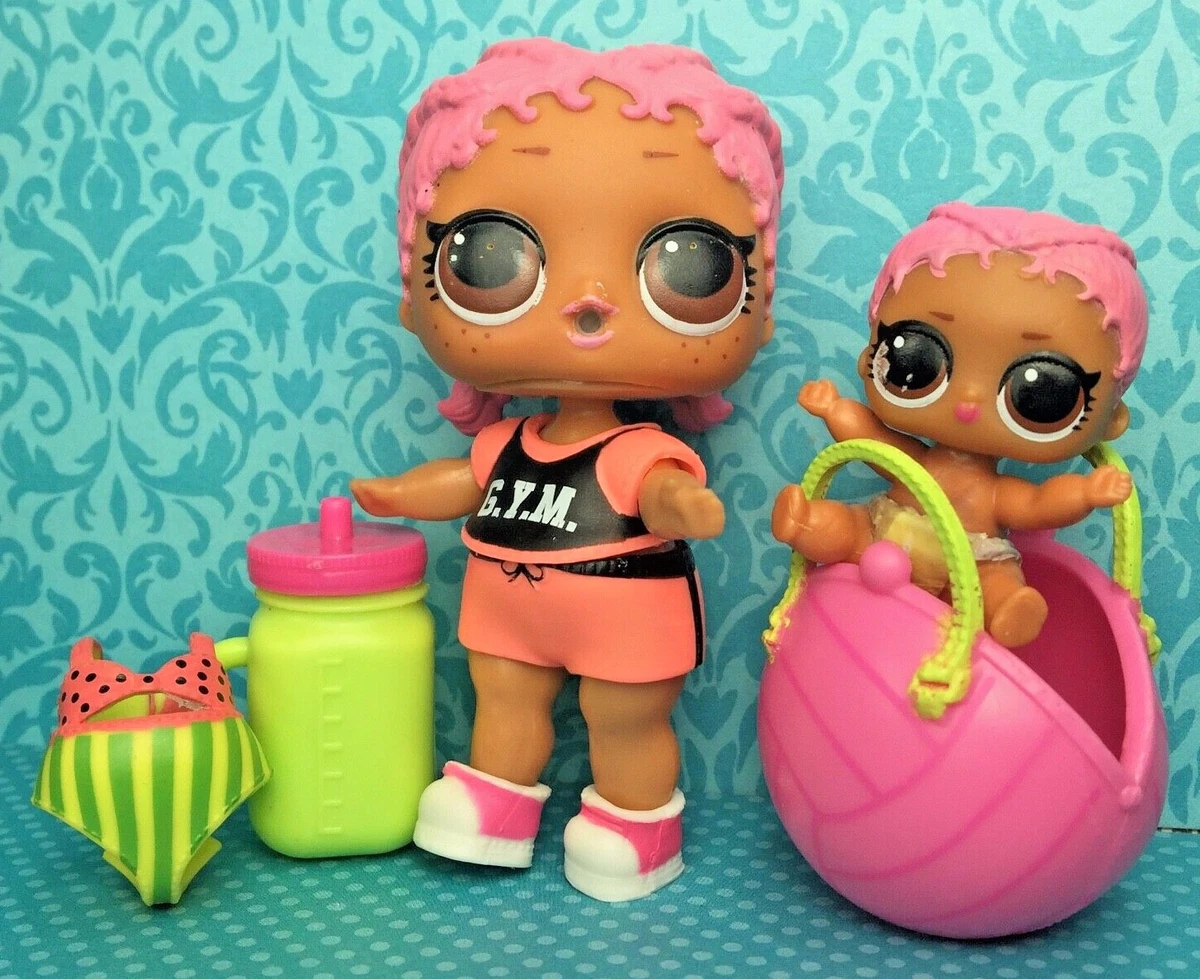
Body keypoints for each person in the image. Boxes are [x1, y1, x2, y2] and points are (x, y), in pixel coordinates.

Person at [351, 38, 783, 901]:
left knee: (625, 716)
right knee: (503, 697)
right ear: (413, 287)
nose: (588, 303)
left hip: (626, 615)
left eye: (689, 263)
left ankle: (636, 823)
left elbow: (657, 487)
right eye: (488, 256)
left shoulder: (633, 448)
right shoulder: (513, 440)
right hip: (511, 613)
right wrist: (398, 494)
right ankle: (494, 800)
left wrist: (682, 503)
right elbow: (466, 482)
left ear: (756, 300)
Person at [772, 202, 1148, 649]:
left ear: (1112, 419)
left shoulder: (995, 494)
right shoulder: (916, 463)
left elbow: (1037, 503)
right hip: (885, 532)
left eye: (1043, 389)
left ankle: (1009, 607)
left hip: (970, 563)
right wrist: (834, 408)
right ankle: (805, 523)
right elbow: (871, 438)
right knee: (848, 529)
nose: (969, 400)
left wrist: (1085, 495)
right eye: (916, 356)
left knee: (995, 580)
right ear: (868, 356)